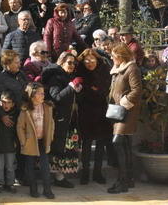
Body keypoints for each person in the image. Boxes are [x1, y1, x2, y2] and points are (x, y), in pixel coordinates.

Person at [43, 52, 82, 189]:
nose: (72, 65)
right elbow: (56, 97)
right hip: (60, 119)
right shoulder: (56, 77)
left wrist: (75, 90)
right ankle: (58, 177)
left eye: (74, 63)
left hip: (70, 119)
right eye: (69, 62)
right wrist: (71, 87)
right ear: (61, 62)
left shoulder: (68, 76)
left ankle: (60, 176)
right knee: (58, 149)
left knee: (66, 149)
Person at [107, 42, 143, 194]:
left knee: (118, 143)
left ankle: (122, 181)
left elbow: (137, 90)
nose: (112, 58)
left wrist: (123, 101)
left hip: (127, 112)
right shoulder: (117, 69)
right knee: (125, 145)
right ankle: (128, 179)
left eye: (114, 56)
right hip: (117, 111)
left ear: (121, 57)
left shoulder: (131, 68)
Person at [76, 48, 113, 185]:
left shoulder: (104, 70)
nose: (89, 63)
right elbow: (81, 91)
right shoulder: (80, 71)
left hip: (101, 109)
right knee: (86, 143)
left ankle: (98, 173)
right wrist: (91, 89)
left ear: (96, 59)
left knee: (100, 142)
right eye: (86, 61)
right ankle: (85, 173)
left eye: (92, 60)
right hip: (85, 110)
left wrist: (92, 89)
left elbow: (105, 89)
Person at [17, 82, 55, 199]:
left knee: (45, 167)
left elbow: (52, 124)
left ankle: (47, 189)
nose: (43, 95)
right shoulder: (25, 109)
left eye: (43, 93)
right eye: (40, 93)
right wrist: (24, 142)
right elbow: (20, 127)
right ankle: (33, 189)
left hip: (43, 141)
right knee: (30, 167)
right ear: (32, 95)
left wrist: (50, 137)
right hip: (30, 143)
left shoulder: (47, 107)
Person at [0, 90, 19, 193]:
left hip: (10, 145)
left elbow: (18, 130)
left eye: (9, 102)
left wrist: (16, 142)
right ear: (0, 102)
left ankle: (10, 184)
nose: (6, 105)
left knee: (10, 167)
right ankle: (0, 184)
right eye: (4, 102)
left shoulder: (16, 114)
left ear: (13, 104)